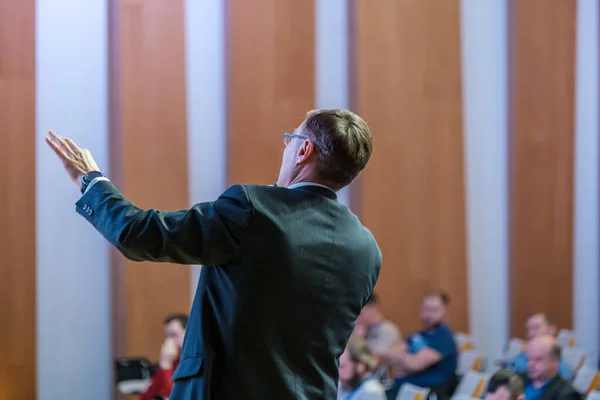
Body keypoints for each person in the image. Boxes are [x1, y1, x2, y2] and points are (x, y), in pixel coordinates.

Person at [45, 108, 382, 399]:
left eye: (290, 140)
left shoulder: (255, 210)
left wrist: (91, 181)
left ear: (303, 150)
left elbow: (139, 234)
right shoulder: (366, 250)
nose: (287, 148)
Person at [384, 291, 458, 400]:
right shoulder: (419, 335)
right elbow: (390, 355)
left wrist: (405, 361)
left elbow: (415, 364)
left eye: (434, 310)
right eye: (426, 309)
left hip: (427, 392)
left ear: (445, 312)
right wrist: (408, 361)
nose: (428, 315)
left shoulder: (444, 337)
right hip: (403, 388)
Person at [506, 313, 572, 380]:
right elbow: (505, 375)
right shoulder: (516, 360)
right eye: (528, 329)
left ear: (551, 330)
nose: (530, 334)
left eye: (536, 328)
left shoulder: (560, 366)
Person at [140, 314, 188, 400]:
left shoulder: (192, 363)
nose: (169, 341)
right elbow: (145, 397)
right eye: (167, 336)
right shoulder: (172, 359)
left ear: (189, 334)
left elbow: (175, 396)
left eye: (174, 335)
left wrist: (166, 365)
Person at [521, 335, 580, 400]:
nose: (530, 364)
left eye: (537, 359)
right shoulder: (518, 379)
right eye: (528, 359)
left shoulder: (567, 394)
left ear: (555, 361)